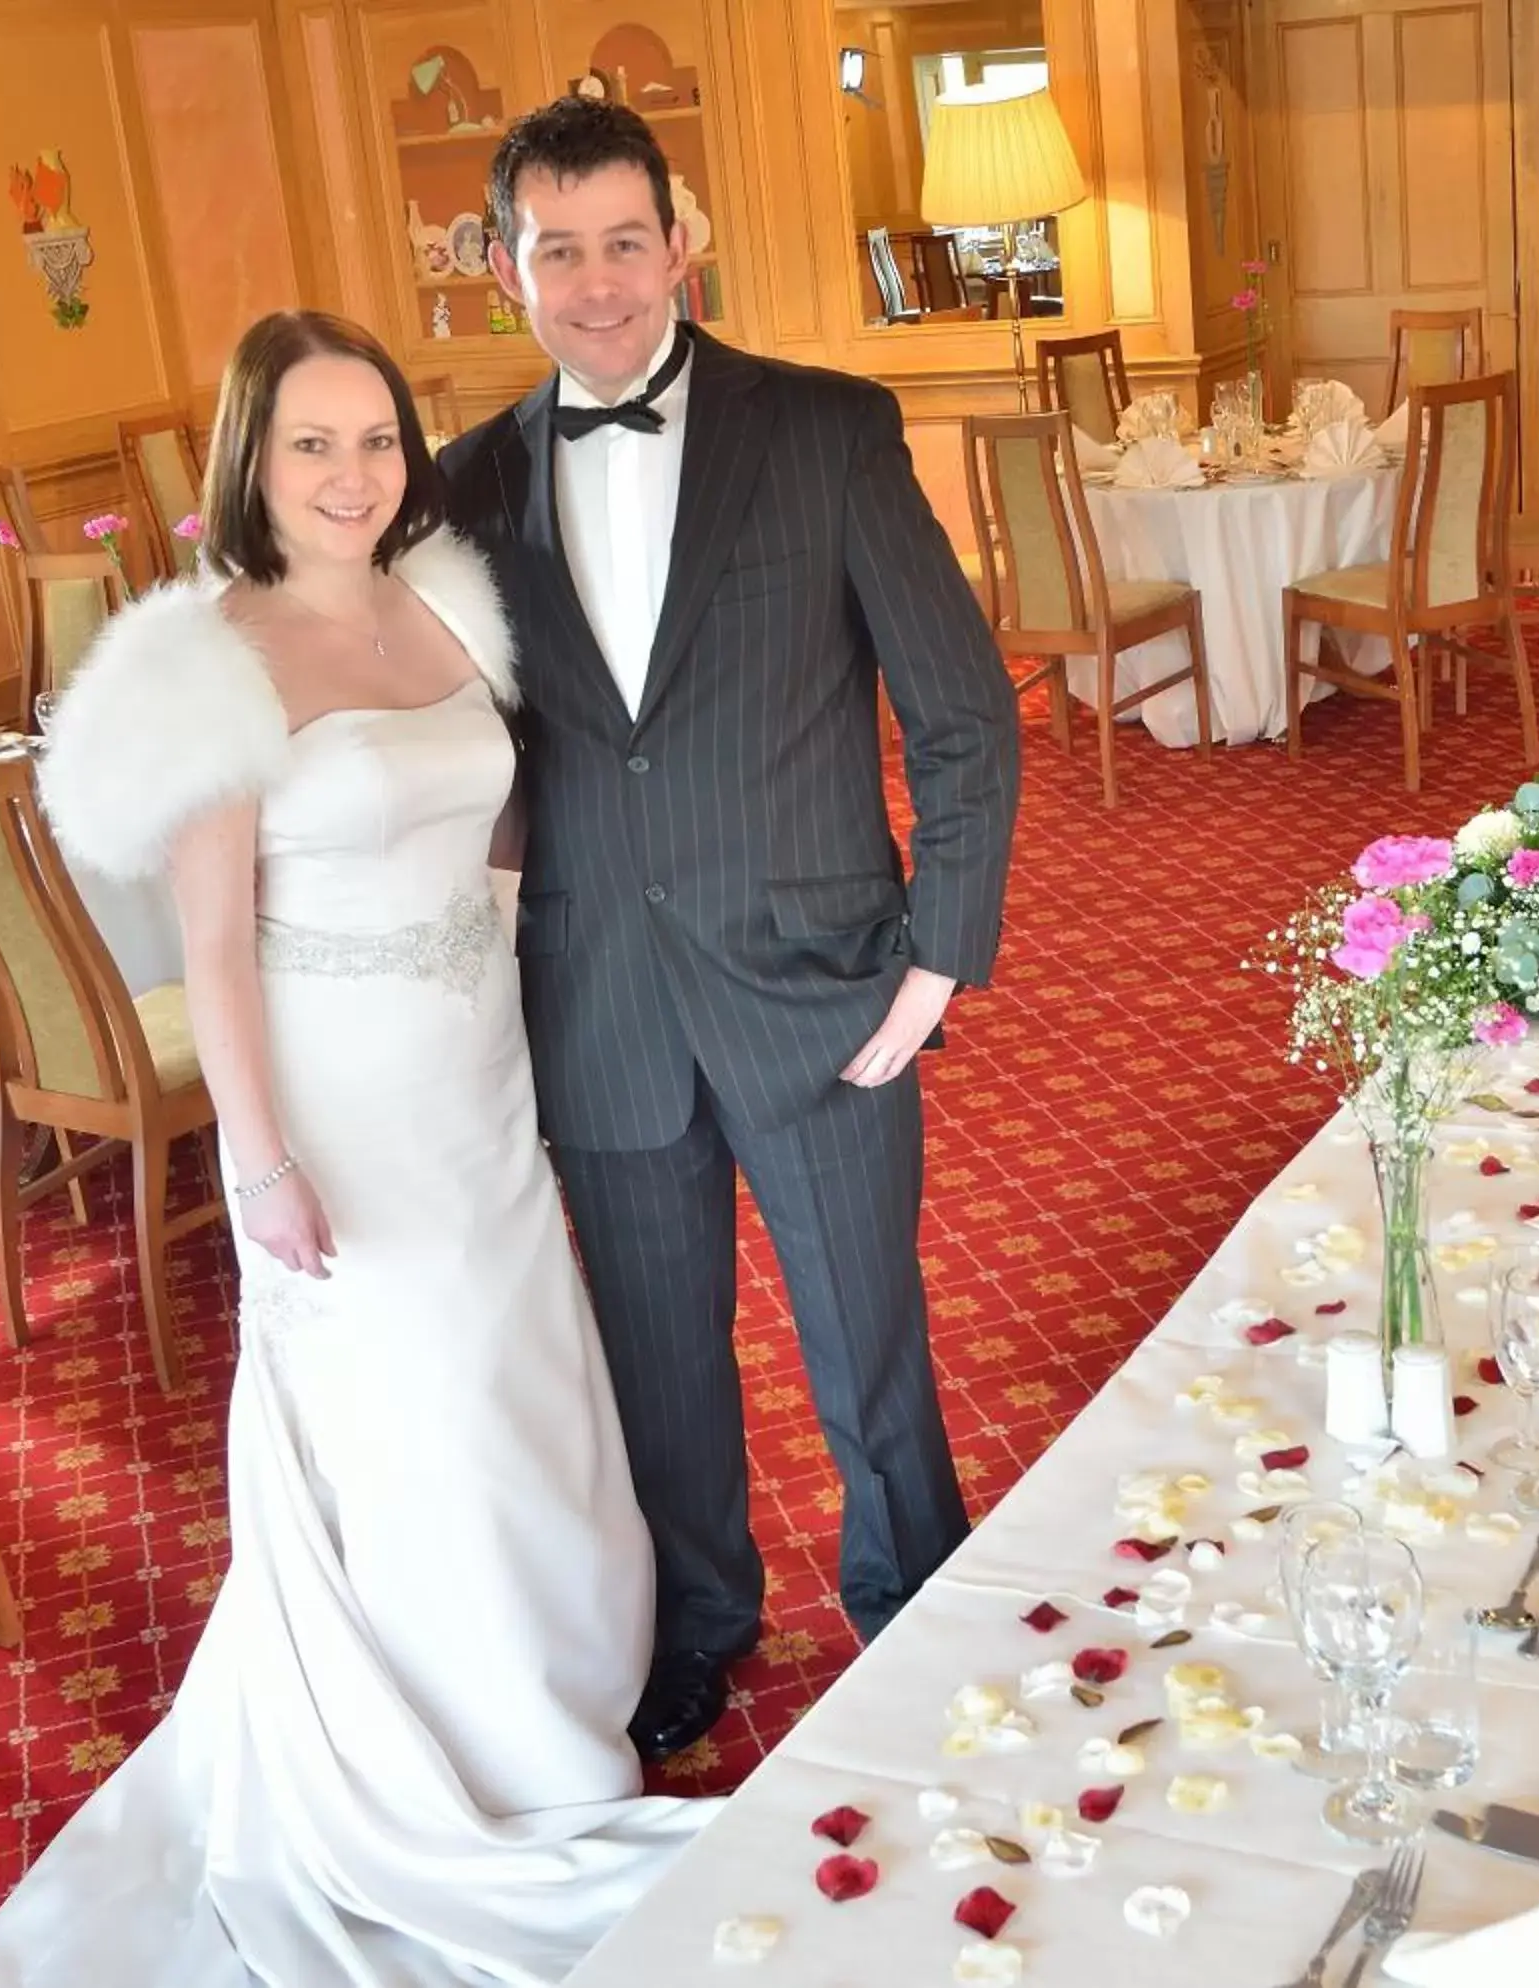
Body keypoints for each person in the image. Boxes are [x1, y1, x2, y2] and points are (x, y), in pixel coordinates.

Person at [0, 309, 706, 1987]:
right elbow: (215, 950)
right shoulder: (214, 657)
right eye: (313, 445)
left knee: (521, 1384)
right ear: (253, 463)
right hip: (342, 1097)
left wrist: (495, 945)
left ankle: (555, 1712)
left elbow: (496, 798)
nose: (353, 474)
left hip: (476, 1068)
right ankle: (444, 1771)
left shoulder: (446, 600)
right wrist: (260, 1164)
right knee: (417, 1405)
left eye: (375, 441)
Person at [440, 97, 1022, 1761]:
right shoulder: (472, 485)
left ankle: (913, 1595)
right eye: (561, 251)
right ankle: (698, 1622)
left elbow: (966, 714)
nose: (602, 284)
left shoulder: (828, 430)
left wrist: (937, 956)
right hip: (600, 1002)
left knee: (869, 1340)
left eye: (630, 241)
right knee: (656, 1364)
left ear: (680, 243)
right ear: (508, 268)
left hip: (824, 984)